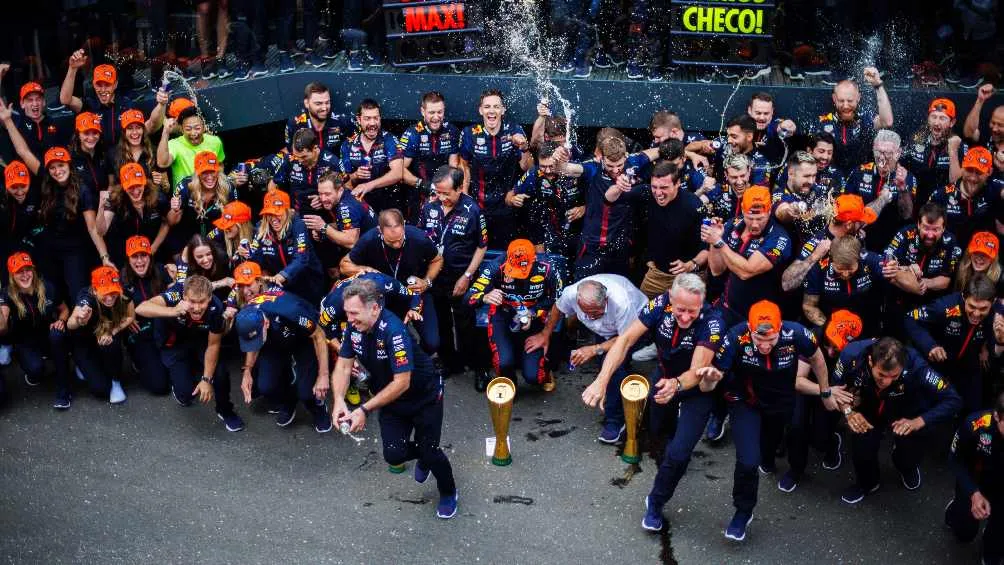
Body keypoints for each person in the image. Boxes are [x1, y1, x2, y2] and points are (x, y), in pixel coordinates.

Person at [694, 300, 837, 541]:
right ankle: (743, 511)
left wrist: (825, 391)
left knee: (783, 440)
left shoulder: (797, 333)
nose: (764, 345)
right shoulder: (734, 337)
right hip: (746, 403)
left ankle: (783, 465)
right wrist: (710, 378)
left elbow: (818, 359)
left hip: (782, 401)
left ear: (780, 328)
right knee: (749, 462)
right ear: (749, 329)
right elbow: (707, 386)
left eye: (770, 339)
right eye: (758, 339)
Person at [330, 278, 458, 519]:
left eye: (355, 313)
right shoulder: (353, 330)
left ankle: (448, 492)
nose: (350, 319)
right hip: (390, 401)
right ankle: (424, 455)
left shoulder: (394, 330)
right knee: (394, 455)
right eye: (347, 313)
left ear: (375, 308)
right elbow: (344, 367)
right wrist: (338, 400)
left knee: (431, 451)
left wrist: (363, 410)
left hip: (424, 396)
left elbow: (402, 382)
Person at [832, 336, 961, 504]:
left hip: (906, 412)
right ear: (870, 361)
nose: (887, 382)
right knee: (862, 452)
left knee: (908, 457)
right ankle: (868, 484)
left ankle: (905, 466)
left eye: (894, 376)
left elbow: (954, 399)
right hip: (869, 409)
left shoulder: (917, 366)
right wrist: (848, 412)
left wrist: (919, 421)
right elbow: (834, 388)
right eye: (881, 375)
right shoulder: (851, 354)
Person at [540, 274, 647, 441]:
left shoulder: (622, 302)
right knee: (605, 363)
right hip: (605, 330)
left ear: (606, 300)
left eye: (595, 312)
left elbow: (625, 340)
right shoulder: (571, 294)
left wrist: (594, 349)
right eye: (585, 312)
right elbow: (557, 308)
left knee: (613, 370)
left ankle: (615, 421)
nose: (589, 316)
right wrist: (545, 333)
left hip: (634, 327)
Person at [134, 274, 245, 432]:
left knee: (219, 372)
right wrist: (173, 310)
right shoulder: (176, 293)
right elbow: (141, 308)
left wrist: (207, 379)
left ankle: (225, 410)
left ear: (209, 298)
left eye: (202, 302)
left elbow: (213, 345)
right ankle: (184, 376)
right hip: (174, 342)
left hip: (200, 338)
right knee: (186, 395)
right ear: (184, 296)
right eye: (192, 301)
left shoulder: (216, 307)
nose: (197, 307)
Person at [418, 165, 488, 377]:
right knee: (442, 323)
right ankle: (450, 362)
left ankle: (477, 367)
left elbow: (482, 245)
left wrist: (467, 276)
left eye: (446, 193)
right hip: (436, 277)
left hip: (461, 278)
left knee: (466, 323)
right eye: (437, 192)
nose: (441, 197)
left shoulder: (473, 210)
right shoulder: (429, 208)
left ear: (459, 189)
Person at [558, 136, 661, 279]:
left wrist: (688, 153)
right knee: (583, 288)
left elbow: (661, 150)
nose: (615, 170)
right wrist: (559, 160)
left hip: (620, 244)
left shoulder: (633, 162)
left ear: (626, 156)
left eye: (619, 165)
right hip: (593, 244)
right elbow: (566, 169)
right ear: (602, 158)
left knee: (619, 291)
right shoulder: (593, 169)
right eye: (610, 165)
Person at [465, 239, 562, 390]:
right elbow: (467, 298)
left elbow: (559, 300)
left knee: (534, 377)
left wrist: (534, 314)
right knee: (504, 363)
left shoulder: (548, 267)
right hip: (502, 315)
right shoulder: (496, 265)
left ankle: (546, 370)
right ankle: (509, 383)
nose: (518, 275)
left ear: (534, 259)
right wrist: (484, 296)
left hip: (534, 317)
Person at [341, 209, 442, 353]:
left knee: (432, 343)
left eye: (400, 239)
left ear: (404, 225)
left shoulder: (418, 237)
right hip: (385, 296)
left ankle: (418, 361)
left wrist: (426, 281)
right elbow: (344, 265)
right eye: (391, 241)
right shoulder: (369, 239)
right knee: (386, 344)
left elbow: (437, 259)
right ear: (379, 231)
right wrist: (367, 269)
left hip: (415, 292)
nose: (397, 245)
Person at [234, 287, 333, 433]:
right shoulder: (245, 316)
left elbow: (319, 336)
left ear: (266, 323)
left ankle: (318, 408)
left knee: (306, 392)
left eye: (257, 339)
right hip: (274, 342)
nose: (255, 344)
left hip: (303, 339)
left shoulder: (292, 312)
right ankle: (288, 400)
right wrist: (247, 370)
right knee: (266, 386)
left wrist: (323, 375)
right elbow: (252, 345)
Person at [904, 274, 996, 416]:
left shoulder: (997, 315)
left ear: (993, 302)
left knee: (974, 412)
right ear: (964, 297)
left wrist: (993, 344)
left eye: (983, 308)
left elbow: (994, 342)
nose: (976, 314)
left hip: (969, 366)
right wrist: (930, 346)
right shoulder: (946, 306)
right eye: (972, 306)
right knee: (927, 410)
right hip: (939, 363)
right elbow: (911, 318)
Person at [702, 186, 792, 327]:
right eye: (750, 218)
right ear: (743, 211)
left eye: (760, 218)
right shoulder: (733, 224)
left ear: (769, 212)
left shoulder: (779, 237)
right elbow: (716, 270)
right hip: (727, 306)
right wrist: (714, 241)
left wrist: (720, 243)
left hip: (759, 316)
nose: (755, 224)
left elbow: (746, 272)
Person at [33, 147, 113, 300]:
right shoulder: (46, 186)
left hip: (74, 249)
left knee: (77, 292)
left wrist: (105, 257)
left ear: (69, 165)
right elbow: (24, 153)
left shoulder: (82, 190)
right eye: (53, 167)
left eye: (61, 165)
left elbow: (92, 228)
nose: (57, 171)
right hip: (50, 247)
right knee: (51, 292)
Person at [458, 89, 533, 248]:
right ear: (480, 110)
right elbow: (463, 166)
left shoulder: (514, 130)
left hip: (508, 205)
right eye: (487, 107)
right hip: (478, 206)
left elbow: (527, 168)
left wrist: (525, 148)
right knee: (476, 250)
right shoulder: (469, 133)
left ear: (503, 110)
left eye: (496, 107)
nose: (491, 111)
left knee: (504, 253)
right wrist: (464, 199)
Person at [803, 236, 914, 338]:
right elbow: (809, 306)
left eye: (850, 268)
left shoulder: (870, 260)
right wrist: (832, 327)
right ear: (832, 259)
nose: (845, 274)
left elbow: (915, 287)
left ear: (858, 259)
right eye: (840, 269)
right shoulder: (819, 268)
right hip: (832, 329)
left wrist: (897, 272)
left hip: (868, 325)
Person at [0, 252, 70, 408]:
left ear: (33, 270)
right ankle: (29, 364)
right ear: (12, 275)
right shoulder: (6, 294)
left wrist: (60, 320)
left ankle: (64, 390)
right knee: (36, 371)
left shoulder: (47, 286)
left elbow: (64, 309)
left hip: (47, 335)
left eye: (28, 269)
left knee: (58, 335)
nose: (25, 275)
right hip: (25, 341)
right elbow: (2, 326)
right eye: (19, 271)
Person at [945, 391, 1004, 564]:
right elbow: (954, 459)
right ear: (996, 416)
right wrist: (973, 493)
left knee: (997, 542)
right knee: (964, 534)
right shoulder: (974, 424)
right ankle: (956, 507)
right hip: (976, 480)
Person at [59, 52, 168, 145]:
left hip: (122, 158)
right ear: (93, 84)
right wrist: (72, 69)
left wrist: (161, 104)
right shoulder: (89, 104)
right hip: (99, 160)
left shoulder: (126, 105)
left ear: (115, 84)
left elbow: (151, 126)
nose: (103, 90)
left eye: (107, 85)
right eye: (99, 85)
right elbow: (65, 99)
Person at [508, 142, 585, 262]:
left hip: (576, 229)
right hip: (547, 230)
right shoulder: (534, 173)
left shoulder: (574, 171)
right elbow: (508, 196)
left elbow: (598, 197)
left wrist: (584, 208)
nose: (547, 170)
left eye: (551, 166)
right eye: (543, 166)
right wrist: (513, 200)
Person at [781, 194, 875, 292]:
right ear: (849, 224)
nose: (863, 223)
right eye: (860, 222)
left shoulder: (853, 230)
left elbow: (872, 213)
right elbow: (786, 284)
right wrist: (814, 256)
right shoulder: (818, 243)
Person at [66, 266, 132, 405]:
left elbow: (130, 316)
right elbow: (70, 324)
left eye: (113, 292)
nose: (109, 297)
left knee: (112, 342)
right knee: (100, 389)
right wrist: (80, 319)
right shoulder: (86, 297)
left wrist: (112, 331)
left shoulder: (123, 293)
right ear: (95, 290)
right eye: (105, 292)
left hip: (105, 336)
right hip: (85, 342)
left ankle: (116, 381)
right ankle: (82, 363)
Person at [844, 129, 918, 251]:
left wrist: (903, 190)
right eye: (879, 152)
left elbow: (906, 215)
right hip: (860, 242)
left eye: (888, 153)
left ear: (898, 153)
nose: (882, 158)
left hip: (893, 246)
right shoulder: (859, 172)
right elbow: (846, 211)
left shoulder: (908, 178)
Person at [811, 67, 894, 171]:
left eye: (850, 101)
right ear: (834, 99)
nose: (846, 106)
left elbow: (887, 121)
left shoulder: (865, 118)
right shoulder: (822, 122)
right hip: (831, 181)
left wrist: (878, 85)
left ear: (858, 98)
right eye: (841, 101)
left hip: (860, 181)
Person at [250, 190, 325, 303]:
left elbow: (301, 258)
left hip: (308, 283)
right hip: (281, 286)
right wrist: (247, 254)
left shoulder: (298, 225)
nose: (273, 219)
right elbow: (257, 260)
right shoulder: (261, 228)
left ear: (288, 211)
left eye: (278, 213)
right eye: (269, 213)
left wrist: (282, 275)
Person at [118, 236, 171, 396]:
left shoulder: (161, 270)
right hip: (141, 333)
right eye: (135, 256)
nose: (140, 261)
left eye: (143, 255)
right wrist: (126, 317)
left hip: (165, 328)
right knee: (159, 386)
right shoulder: (121, 279)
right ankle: (137, 360)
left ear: (150, 256)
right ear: (128, 259)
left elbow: (174, 294)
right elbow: (111, 307)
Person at [885, 202, 963, 308]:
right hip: (899, 297)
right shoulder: (905, 234)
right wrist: (907, 269)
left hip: (932, 303)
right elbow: (887, 262)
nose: (930, 235)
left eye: (935, 229)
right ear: (918, 224)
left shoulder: (951, 242)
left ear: (943, 228)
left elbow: (946, 280)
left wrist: (924, 283)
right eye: (926, 228)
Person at [398, 91, 461, 221]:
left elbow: (453, 166)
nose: (436, 117)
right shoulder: (413, 134)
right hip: (418, 194)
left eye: (440, 112)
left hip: (444, 195)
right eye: (432, 113)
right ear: (423, 111)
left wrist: (442, 191)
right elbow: (398, 169)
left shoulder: (452, 131)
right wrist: (424, 185)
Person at [301, 171, 376, 277]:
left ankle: (375, 275)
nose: (322, 199)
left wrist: (323, 227)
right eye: (320, 194)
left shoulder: (346, 208)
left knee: (344, 266)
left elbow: (351, 242)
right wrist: (324, 228)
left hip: (373, 252)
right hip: (371, 242)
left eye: (327, 194)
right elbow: (347, 225)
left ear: (340, 190)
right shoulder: (347, 194)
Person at [98, 163, 171, 267]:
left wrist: (153, 248)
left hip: (152, 253)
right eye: (130, 187)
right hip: (123, 256)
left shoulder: (158, 197)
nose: (136, 191)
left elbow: (167, 223)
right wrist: (101, 207)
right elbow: (101, 231)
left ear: (144, 183)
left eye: (138, 185)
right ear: (123, 186)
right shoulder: (115, 199)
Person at [340, 99, 405, 214]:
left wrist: (369, 185)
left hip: (389, 206)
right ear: (358, 120)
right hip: (360, 206)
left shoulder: (389, 140)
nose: (373, 123)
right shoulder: (347, 145)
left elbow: (398, 173)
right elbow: (344, 182)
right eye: (367, 118)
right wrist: (355, 175)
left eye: (376, 118)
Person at [167, 151, 237, 253]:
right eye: (204, 172)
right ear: (197, 173)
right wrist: (175, 210)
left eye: (212, 171)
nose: (209, 177)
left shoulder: (228, 187)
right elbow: (171, 222)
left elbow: (234, 223)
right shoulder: (184, 186)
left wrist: (213, 239)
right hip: (187, 241)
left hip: (217, 241)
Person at [927, 146, 995, 248]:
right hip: (944, 256)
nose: (973, 177)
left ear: (989, 172)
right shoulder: (941, 195)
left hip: (975, 258)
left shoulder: (992, 194)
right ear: (962, 167)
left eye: (979, 172)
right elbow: (927, 232)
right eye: (969, 170)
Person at [905, 98, 965, 204]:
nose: (936, 123)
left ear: (952, 122)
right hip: (916, 200)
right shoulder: (917, 139)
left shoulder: (958, 145)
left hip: (943, 203)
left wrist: (953, 151)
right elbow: (902, 166)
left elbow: (956, 182)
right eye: (933, 117)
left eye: (942, 118)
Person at [269, 128, 342, 213]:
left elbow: (344, 190)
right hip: (296, 215)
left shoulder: (332, 162)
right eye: (296, 156)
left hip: (325, 217)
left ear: (315, 148)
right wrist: (281, 207)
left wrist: (324, 199)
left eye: (304, 157)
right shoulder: (290, 160)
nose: (299, 160)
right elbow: (273, 184)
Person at [0, 79, 71, 164]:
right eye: (30, 100)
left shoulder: (54, 123)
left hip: (52, 173)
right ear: (22, 104)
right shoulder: (15, 122)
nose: (35, 103)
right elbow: (4, 121)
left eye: (38, 99)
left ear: (44, 102)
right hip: (23, 175)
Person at [686, 114, 770, 186]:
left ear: (749, 137)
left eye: (734, 137)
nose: (729, 140)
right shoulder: (723, 143)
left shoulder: (760, 163)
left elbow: (756, 196)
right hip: (714, 194)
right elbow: (686, 149)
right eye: (728, 135)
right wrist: (694, 153)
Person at [158, 106, 226, 188]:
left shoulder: (215, 141)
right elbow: (162, 163)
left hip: (210, 193)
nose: (193, 133)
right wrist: (165, 132)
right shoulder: (174, 144)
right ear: (182, 130)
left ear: (204, 127)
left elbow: (220, 164)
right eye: (188, 129)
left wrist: (221, 184)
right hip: (185, 196)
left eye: (197, 128)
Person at [772, 151, 830, 246]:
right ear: (791, 174)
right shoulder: (779, 194)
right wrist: (791, 210)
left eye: (814, 175)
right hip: (788, 248)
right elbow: (781, 211)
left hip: (817, 244)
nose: (811, 181)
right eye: (806, 176)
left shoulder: (815, 189)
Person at [105, 108, 169, 194]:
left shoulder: (155, 151)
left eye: (138, 128)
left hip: (151, 203)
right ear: (124, 132)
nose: (135, 132)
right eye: (130, 128)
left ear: (143, 130)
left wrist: (162, 183)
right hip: (125, 203)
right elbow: (111, 186)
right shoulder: (113, 154)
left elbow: (167, 189)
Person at [284, 82, 357, 155]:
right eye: (318, 104)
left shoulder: (341, 122)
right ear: (307, 103)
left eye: (327, 102)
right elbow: (291, 152)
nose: (324, 108)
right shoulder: (295, 124)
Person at [176, 234, 235, 302]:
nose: (206, 260)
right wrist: (222, 282)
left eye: (208, 254)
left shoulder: (221, 257)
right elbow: (195, 292)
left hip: (225, 297)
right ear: (193, 257)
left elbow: (231, 282)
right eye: (200, 257)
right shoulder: (189, 267)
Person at [0, 161, 38, 267]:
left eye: (23, 186)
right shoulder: (2, 199)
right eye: (14, 187)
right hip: (3, 245)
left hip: (26, 244)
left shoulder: (36, 195)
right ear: (7, 186)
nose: (20, 192)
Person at [746, 92, 797, 167]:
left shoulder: (773, 126)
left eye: (766, 113)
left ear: (772, 111)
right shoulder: (740, 126)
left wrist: (786, 126)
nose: (762, 117)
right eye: (758, 113)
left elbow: (778, 126)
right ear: (749, 110)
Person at [69, 111, 109, 194]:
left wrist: (105, 205)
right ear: (78, 134)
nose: (91, 138)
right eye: (86, 133)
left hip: (105, 204)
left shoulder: (104, 153)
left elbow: (111, 183)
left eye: (95, 133)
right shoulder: (70, 159)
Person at [207, 201, 255, 270]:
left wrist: (251, 255)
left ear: (241, 225)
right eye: (224, 223)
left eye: (229, 226)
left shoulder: (257, 236)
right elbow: (203, 244)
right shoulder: (219, 232)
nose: (225, 228)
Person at [962, 83, 1004, 152]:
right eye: (993, 123)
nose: (994, 129)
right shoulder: (987, 133)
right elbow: (969, 133)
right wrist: (980, 100)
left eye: (1000, 125)